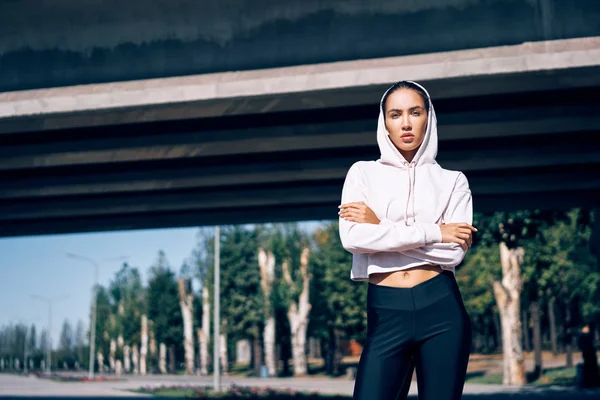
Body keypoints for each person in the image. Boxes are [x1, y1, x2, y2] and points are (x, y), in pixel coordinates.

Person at [338, 81, 476, 400]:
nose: (405, 123)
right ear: (383, 122)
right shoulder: (362, 174)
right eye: (395, 114)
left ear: (429, 117)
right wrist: (435, 231)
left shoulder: (453, 181)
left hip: (441, 307)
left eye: (415, 112)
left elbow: (453, 252)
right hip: (386, 309)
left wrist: (381, 226)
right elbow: (354, 238)